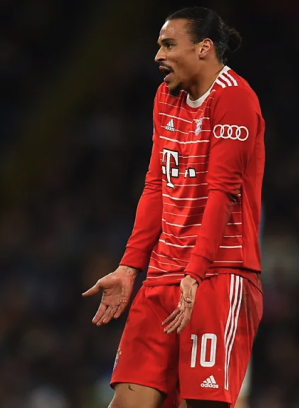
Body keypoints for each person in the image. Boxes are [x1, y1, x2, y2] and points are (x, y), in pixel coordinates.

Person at [83, 7, 264, 408]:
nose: (157, 56)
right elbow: (155, 185)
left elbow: (220, 193)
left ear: (204, 49)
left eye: (168, 44)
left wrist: (195, 273)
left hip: (218, 275)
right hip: (163, 276)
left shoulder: (235, 98)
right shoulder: (166, 96)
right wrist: (130, 267)